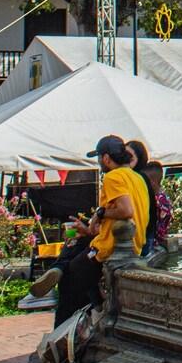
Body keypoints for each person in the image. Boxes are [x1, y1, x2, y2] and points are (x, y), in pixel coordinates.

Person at [41, 136, 150, 324]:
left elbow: (126, 210)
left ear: (106, 158)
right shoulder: (137, 178)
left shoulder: (113, 176)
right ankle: (89, 301)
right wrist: (93, 225)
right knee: (77, 255)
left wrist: (100, 212)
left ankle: (61, 338)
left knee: (69, 282)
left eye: (99, 158)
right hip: (133, 247)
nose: (99, 163)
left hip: (108, 251)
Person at [125, 139, 171, 247]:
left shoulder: (141, 179)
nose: (125, 160)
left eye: (129, 157)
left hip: (146, 240)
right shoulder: (130, 177)